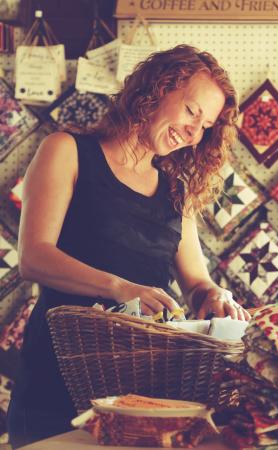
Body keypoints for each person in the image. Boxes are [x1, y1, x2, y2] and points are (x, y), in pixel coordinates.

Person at [8, 45, 250, 447]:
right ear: (157, 89)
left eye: (205, 125)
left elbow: (196, 282)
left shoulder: (177, 189)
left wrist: (215, 295)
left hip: (146, 386)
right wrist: (120, 288)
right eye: (192, 112)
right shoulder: (67, 150)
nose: (194, 133)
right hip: (58, 378)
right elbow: (34, 257)